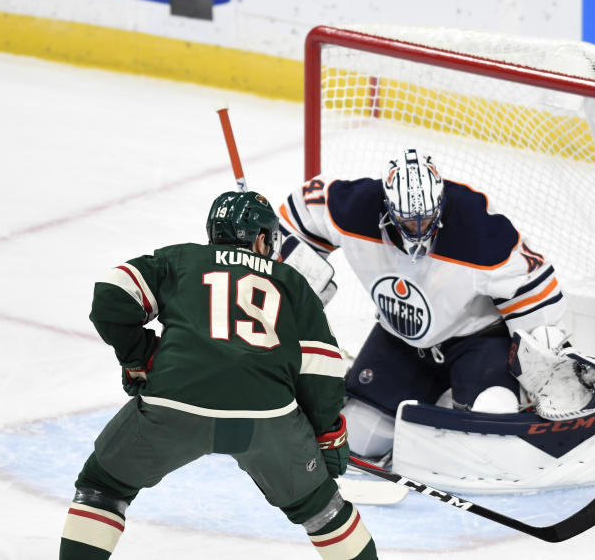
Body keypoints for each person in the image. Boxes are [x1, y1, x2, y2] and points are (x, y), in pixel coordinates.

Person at [59, 191, 377, 560]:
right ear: (261, 237)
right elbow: (321, 369)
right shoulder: (290, 280)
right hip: (265, 419)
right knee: (324, 511)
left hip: (173, 407)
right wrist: (328, 435)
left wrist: (141, 357)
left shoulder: (181, 259)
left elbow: (112, 295)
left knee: (102, 488)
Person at [276, 148, 570, 461]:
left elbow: (533, 287)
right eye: (408, 220)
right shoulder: (356, 207)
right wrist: (289, 283)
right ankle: (434, 398)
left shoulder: (478, 229)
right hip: (401, 341)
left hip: (478, 341)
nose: (419, 228)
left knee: (490, 432)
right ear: (387, 205)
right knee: (361, 441)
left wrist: (544, 361)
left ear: (440, 201)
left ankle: (459, 396)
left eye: (427, 217)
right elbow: (298, 214)